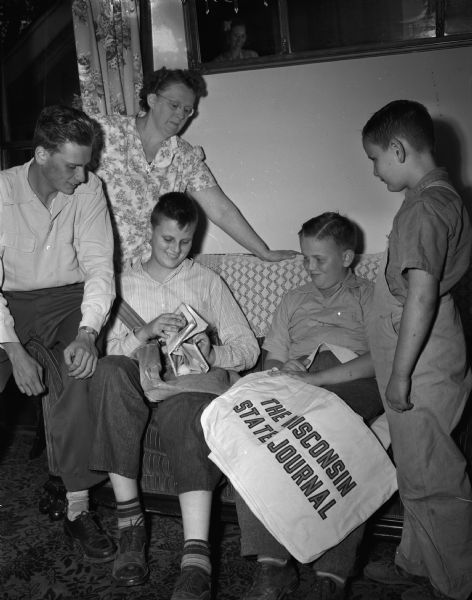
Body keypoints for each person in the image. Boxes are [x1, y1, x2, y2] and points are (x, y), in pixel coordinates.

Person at [86, 192, 259, 596]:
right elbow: (105, 355)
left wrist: (207, 350)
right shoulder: (122, 284)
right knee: (111, 370)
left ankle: (196, 555)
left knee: (187, 409)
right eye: (167, 240)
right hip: (133, 386)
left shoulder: (207, 281)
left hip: (185, 389)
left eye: (185, 242)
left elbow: (248, 349)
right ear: (150, 230)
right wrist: (143, 334)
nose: (175, 250)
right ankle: (131, 527)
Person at [234, 212, 384, 600]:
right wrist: (283, 372)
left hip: (350, 379)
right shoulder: (293, 299)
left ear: (348, 258)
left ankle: (331, 575)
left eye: (319, 259)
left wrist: (316, 379)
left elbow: (381, 359)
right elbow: (272, 360)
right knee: (257, 439)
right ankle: (272, 566)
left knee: (342, 446)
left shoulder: (369, 295)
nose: (309, 267)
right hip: (298, 383)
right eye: (305, 257)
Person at [362, 100, 472, 600]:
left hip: (420, 363)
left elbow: (422, 294)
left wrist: (401, 374)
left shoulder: (426, 207)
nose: (375, 170)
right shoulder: (439, 196)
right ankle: (416, 563)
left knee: (434, 479)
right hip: (424, 354)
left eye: (375, 158)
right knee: (417, 470)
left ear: (399, 149)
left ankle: (452, 586)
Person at [0, 106, 116, 561]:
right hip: (8, 303)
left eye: (86, 163)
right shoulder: (1, 191)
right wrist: (12, 348)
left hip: (68, 300)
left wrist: (88, 332)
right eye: (72, 165)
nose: (82, 175)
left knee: (79, 370)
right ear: (42, 154)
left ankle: (78, 508)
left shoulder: (90, 191)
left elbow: (99, 267)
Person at [92, 67, 291, 268]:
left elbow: (221, 211)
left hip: (149, 277)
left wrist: (263, 251)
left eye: (187, 110)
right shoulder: (105, 132)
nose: (180, 115)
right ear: (152, 100)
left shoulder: (184, 156)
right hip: (97, 270)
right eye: (174, 105)